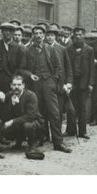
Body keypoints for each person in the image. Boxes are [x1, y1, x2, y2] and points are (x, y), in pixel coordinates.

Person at [19, 25, 71, 153]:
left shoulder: (50, 49)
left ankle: (58, 142)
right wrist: (30, 75)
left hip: (49, 84)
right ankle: (39, 139)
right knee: (38, 114)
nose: (38, 35)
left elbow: (59, 67)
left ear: (43, 35)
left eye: (40, 33)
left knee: (54, 113)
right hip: (35, 85)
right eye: (35, 33)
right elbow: (21, 69)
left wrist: (53, 81)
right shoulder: (28, 51)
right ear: (33, 36)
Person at [2, 75, 45, 156]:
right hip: (19, 123)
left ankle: (32, 145)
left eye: (19, 85)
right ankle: (18, 143)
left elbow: (30, 116)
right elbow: (6, 114)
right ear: (11, 86)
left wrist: (12, 121)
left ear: (23, 85)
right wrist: (12, 104)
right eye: (14, 85)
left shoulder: (30, 95)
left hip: (35, 122)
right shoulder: (9, 96)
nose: (16, 87)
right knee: (5, 129)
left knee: (27, 125)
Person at [67, 28, 95, 138]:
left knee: (83, 107)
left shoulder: (89, 50)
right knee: (71, 107)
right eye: (76, 35)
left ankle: (82, 131)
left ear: (83, 36)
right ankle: (71, 130)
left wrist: (90, 83)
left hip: (84, 82)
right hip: (72, 82)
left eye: (80, 35)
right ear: (73, 36)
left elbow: (92, 68)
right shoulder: (69, 49)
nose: (78, 37)